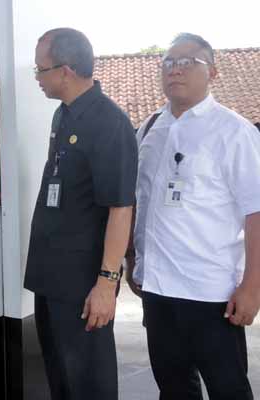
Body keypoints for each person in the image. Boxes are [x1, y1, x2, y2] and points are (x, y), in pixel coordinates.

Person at [127, 33, 260, 399]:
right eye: (168, 62)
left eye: (188, 62)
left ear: (212, 73)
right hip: (156, 290)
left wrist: (252, 285)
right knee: (173, 387)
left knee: (228, 388)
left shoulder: (235, 132)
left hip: (210, 292)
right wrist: (131, 258)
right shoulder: (151, 129)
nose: (176, 69)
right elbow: (141, 200)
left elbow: (256, 211)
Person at [23, 28, 138, 399]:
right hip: (51, 278)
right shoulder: (63, 116)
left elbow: (121, 208)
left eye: (41, 70)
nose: (37, 78)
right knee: (61, 379)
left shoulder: (109, 123)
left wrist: (106, 284)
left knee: (88, 382)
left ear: (66, 71)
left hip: (82, 286)